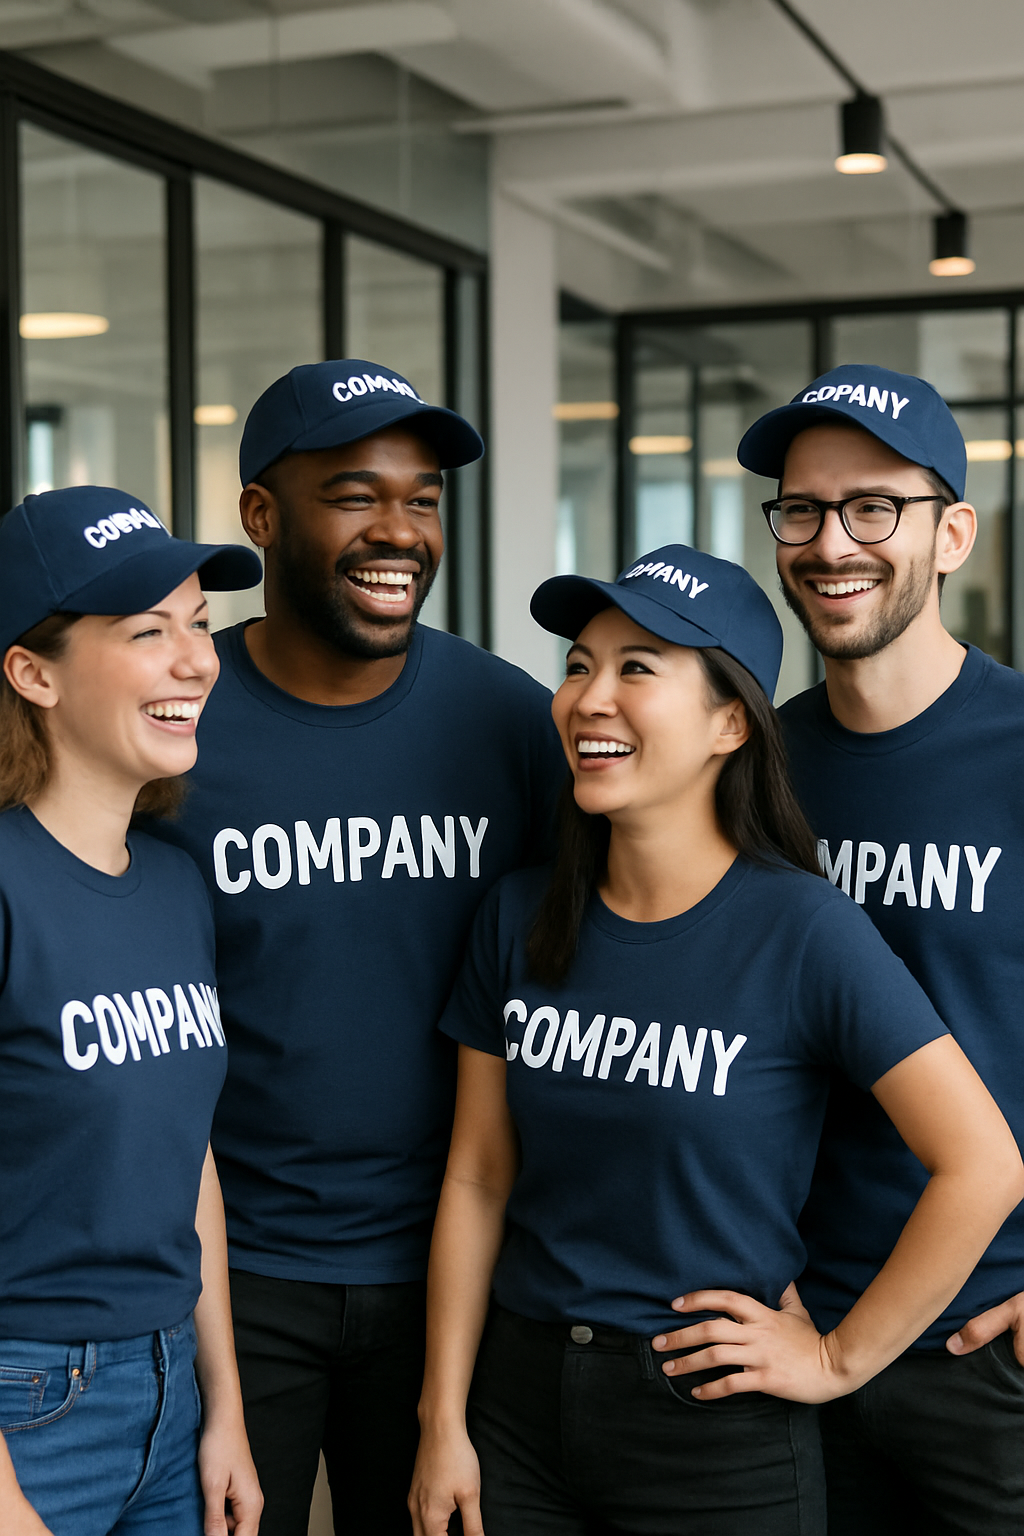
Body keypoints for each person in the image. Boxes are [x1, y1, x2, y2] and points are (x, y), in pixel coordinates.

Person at [408, 542, 1023, 1536]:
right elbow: (478, 1177)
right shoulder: (518, 916)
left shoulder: (804, 930)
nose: (588, 697)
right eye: (577, 665)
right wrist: (442, 1418)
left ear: (729, 720)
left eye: (636, 668)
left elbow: (983, 1162)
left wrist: (836, 1358)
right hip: (517, 1412)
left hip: (710, 1427)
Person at [148, 358, 565, 1535]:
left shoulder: (509, 722)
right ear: (261, 516)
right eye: (354, 493)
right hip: (236, 1276)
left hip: (461, 1265)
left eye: (422, 497)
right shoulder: (177, 723)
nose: (399, 529)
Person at [736, 363, 1024, 1535]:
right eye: (801, 510)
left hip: (984, 1347)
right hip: (784, 1325)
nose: (830, 542)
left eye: (873, 508)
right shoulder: (751, 767)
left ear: (951, 534)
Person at [0, 486, 264, 1536]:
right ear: (33, 672)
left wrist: (224, 1408)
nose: (197, 661)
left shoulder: (173, 885)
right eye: (149, 631)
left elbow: (182, 1154)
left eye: (198, 626)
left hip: (169, 1398)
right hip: (26, 1404)